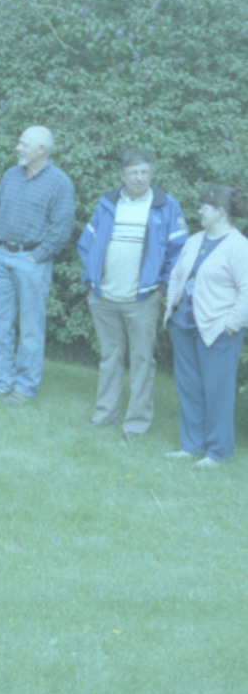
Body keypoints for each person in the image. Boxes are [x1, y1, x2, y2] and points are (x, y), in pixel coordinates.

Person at [77, 149, 188, 438]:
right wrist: (91, 280)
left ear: (152, 174)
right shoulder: (107, 203)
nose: (140, 178)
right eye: (134, 172)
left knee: (142, 362)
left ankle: (136, 424)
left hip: (143, 300)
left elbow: (180, 254)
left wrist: (162, 291)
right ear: (122, 175)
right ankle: (105, 415)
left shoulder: (166, 206)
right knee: (109, 357)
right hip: (104, 298)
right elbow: (87, 242)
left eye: (145, 172)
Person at [0, 125, 76, 405]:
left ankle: (24, 388)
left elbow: (62, 228)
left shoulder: (60, 183)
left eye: (24, 144)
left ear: (41, 150)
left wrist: (37, 256)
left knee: (31, 329)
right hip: (1, 256)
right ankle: (1, 382)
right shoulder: (11, 175)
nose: (18, 148)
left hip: (32, 261)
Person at [162, 185, 248, 466]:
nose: (199, 211)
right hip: (184, 326)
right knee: (189, 387)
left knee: (217, 391)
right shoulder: (195, 240)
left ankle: (217, 452)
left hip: (218, 330)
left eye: (205, 207)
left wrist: (231, 325)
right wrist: (171, 309)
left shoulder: (238, 246)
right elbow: (177, 276)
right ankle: (191, 446)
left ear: (220, 212)